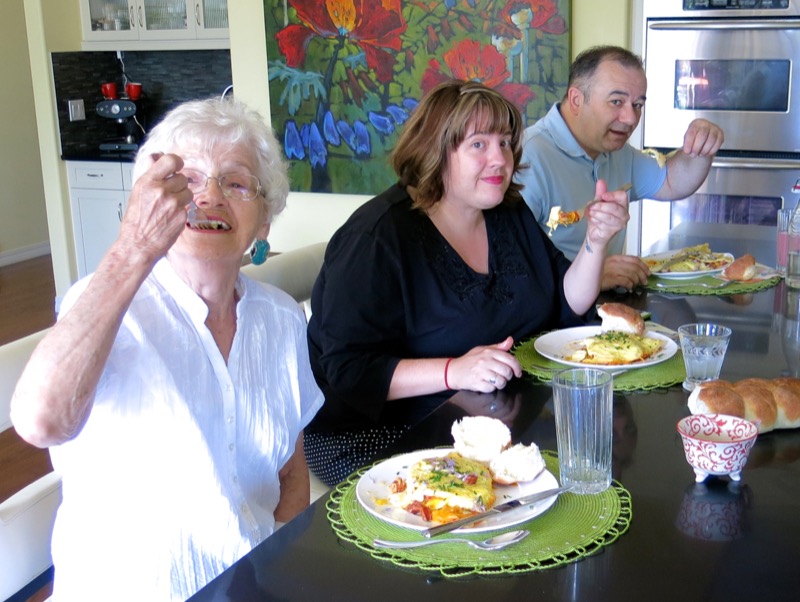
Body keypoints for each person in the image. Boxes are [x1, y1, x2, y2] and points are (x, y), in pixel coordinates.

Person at [10, 98, 323, 601]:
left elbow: (290, 473)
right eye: (188, 180)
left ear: (264, 222)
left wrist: (275, 572)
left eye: (236, 182)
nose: (210, 197)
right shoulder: (108, 304)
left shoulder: (281, 319)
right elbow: (41, 422)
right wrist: (135, 246)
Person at [304, 80, 629, 486]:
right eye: (479, 144)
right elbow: (348, 373)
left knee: (589, 475)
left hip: (486, 415)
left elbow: (568, 299)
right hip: (377, 433)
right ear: (436, 150)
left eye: (506, 143)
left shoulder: (506, 212)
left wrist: (595, 242)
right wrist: (454, 371)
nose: (500, 159)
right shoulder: (376, 238)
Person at [517, 45, 725, 291]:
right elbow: (511, 269)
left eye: (637, 104)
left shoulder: (615, 151)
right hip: (553, 322)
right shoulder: (528, 157)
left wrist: (701, 147)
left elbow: (671, 181)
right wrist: (591, 273)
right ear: (576, 100)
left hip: (604, 310)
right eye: (616, 101)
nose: (631, 118)